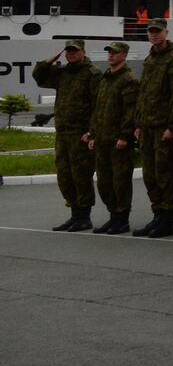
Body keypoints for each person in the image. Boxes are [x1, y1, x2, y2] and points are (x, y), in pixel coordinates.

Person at [34, 39, 100, 232]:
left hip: (80, 134)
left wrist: (91, 131)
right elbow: (38, 76)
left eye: (74, 51)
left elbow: (98, 104)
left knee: (81, 175)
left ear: (83, 52)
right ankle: (74, 214)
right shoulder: (62, 73)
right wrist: (50, 60)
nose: (71, 54)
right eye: (68, 51)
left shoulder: (91, 73)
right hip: (63, 132)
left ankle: (84, 217)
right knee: (64, 175)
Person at [133, 18, 173, 239]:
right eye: (150, 32)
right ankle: (157, 214)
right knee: (150, 174)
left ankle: (167, 220)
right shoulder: (150, 59)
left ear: (166, 32)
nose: (154, 35)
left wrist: (172, 126)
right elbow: (143, 93)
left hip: (163, 126)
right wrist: (137, 122)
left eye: (158, 31)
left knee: (165, 173)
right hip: (147, 126)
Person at [86, 42, 139, 235]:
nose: (110, 56)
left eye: (115, 53)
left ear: (124, 55)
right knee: (104, 181)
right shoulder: (105, 78)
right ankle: (112, 216)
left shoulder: (129, 79)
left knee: (120, 181)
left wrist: (125, 136)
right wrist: (92, 133)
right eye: (109, 52)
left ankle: (122, 219)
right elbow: (98, 108)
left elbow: (130, 111)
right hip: (102, 138)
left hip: (117, 139)